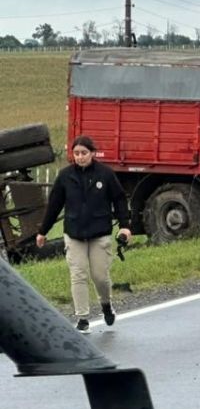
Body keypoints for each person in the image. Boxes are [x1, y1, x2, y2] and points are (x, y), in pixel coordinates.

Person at [36, 136, 132, 334]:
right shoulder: (65, 176)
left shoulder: (105, 174)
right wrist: (42, 232)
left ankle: (106, 304)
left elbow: (120, 199)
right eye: (76, 153)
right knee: (78, 275)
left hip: (100, 234)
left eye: (84, 153)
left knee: (100, 277)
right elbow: (54, 205)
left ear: (92, 153)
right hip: (74, 234)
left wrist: (125, 226)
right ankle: (82, 318)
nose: (80, 157)